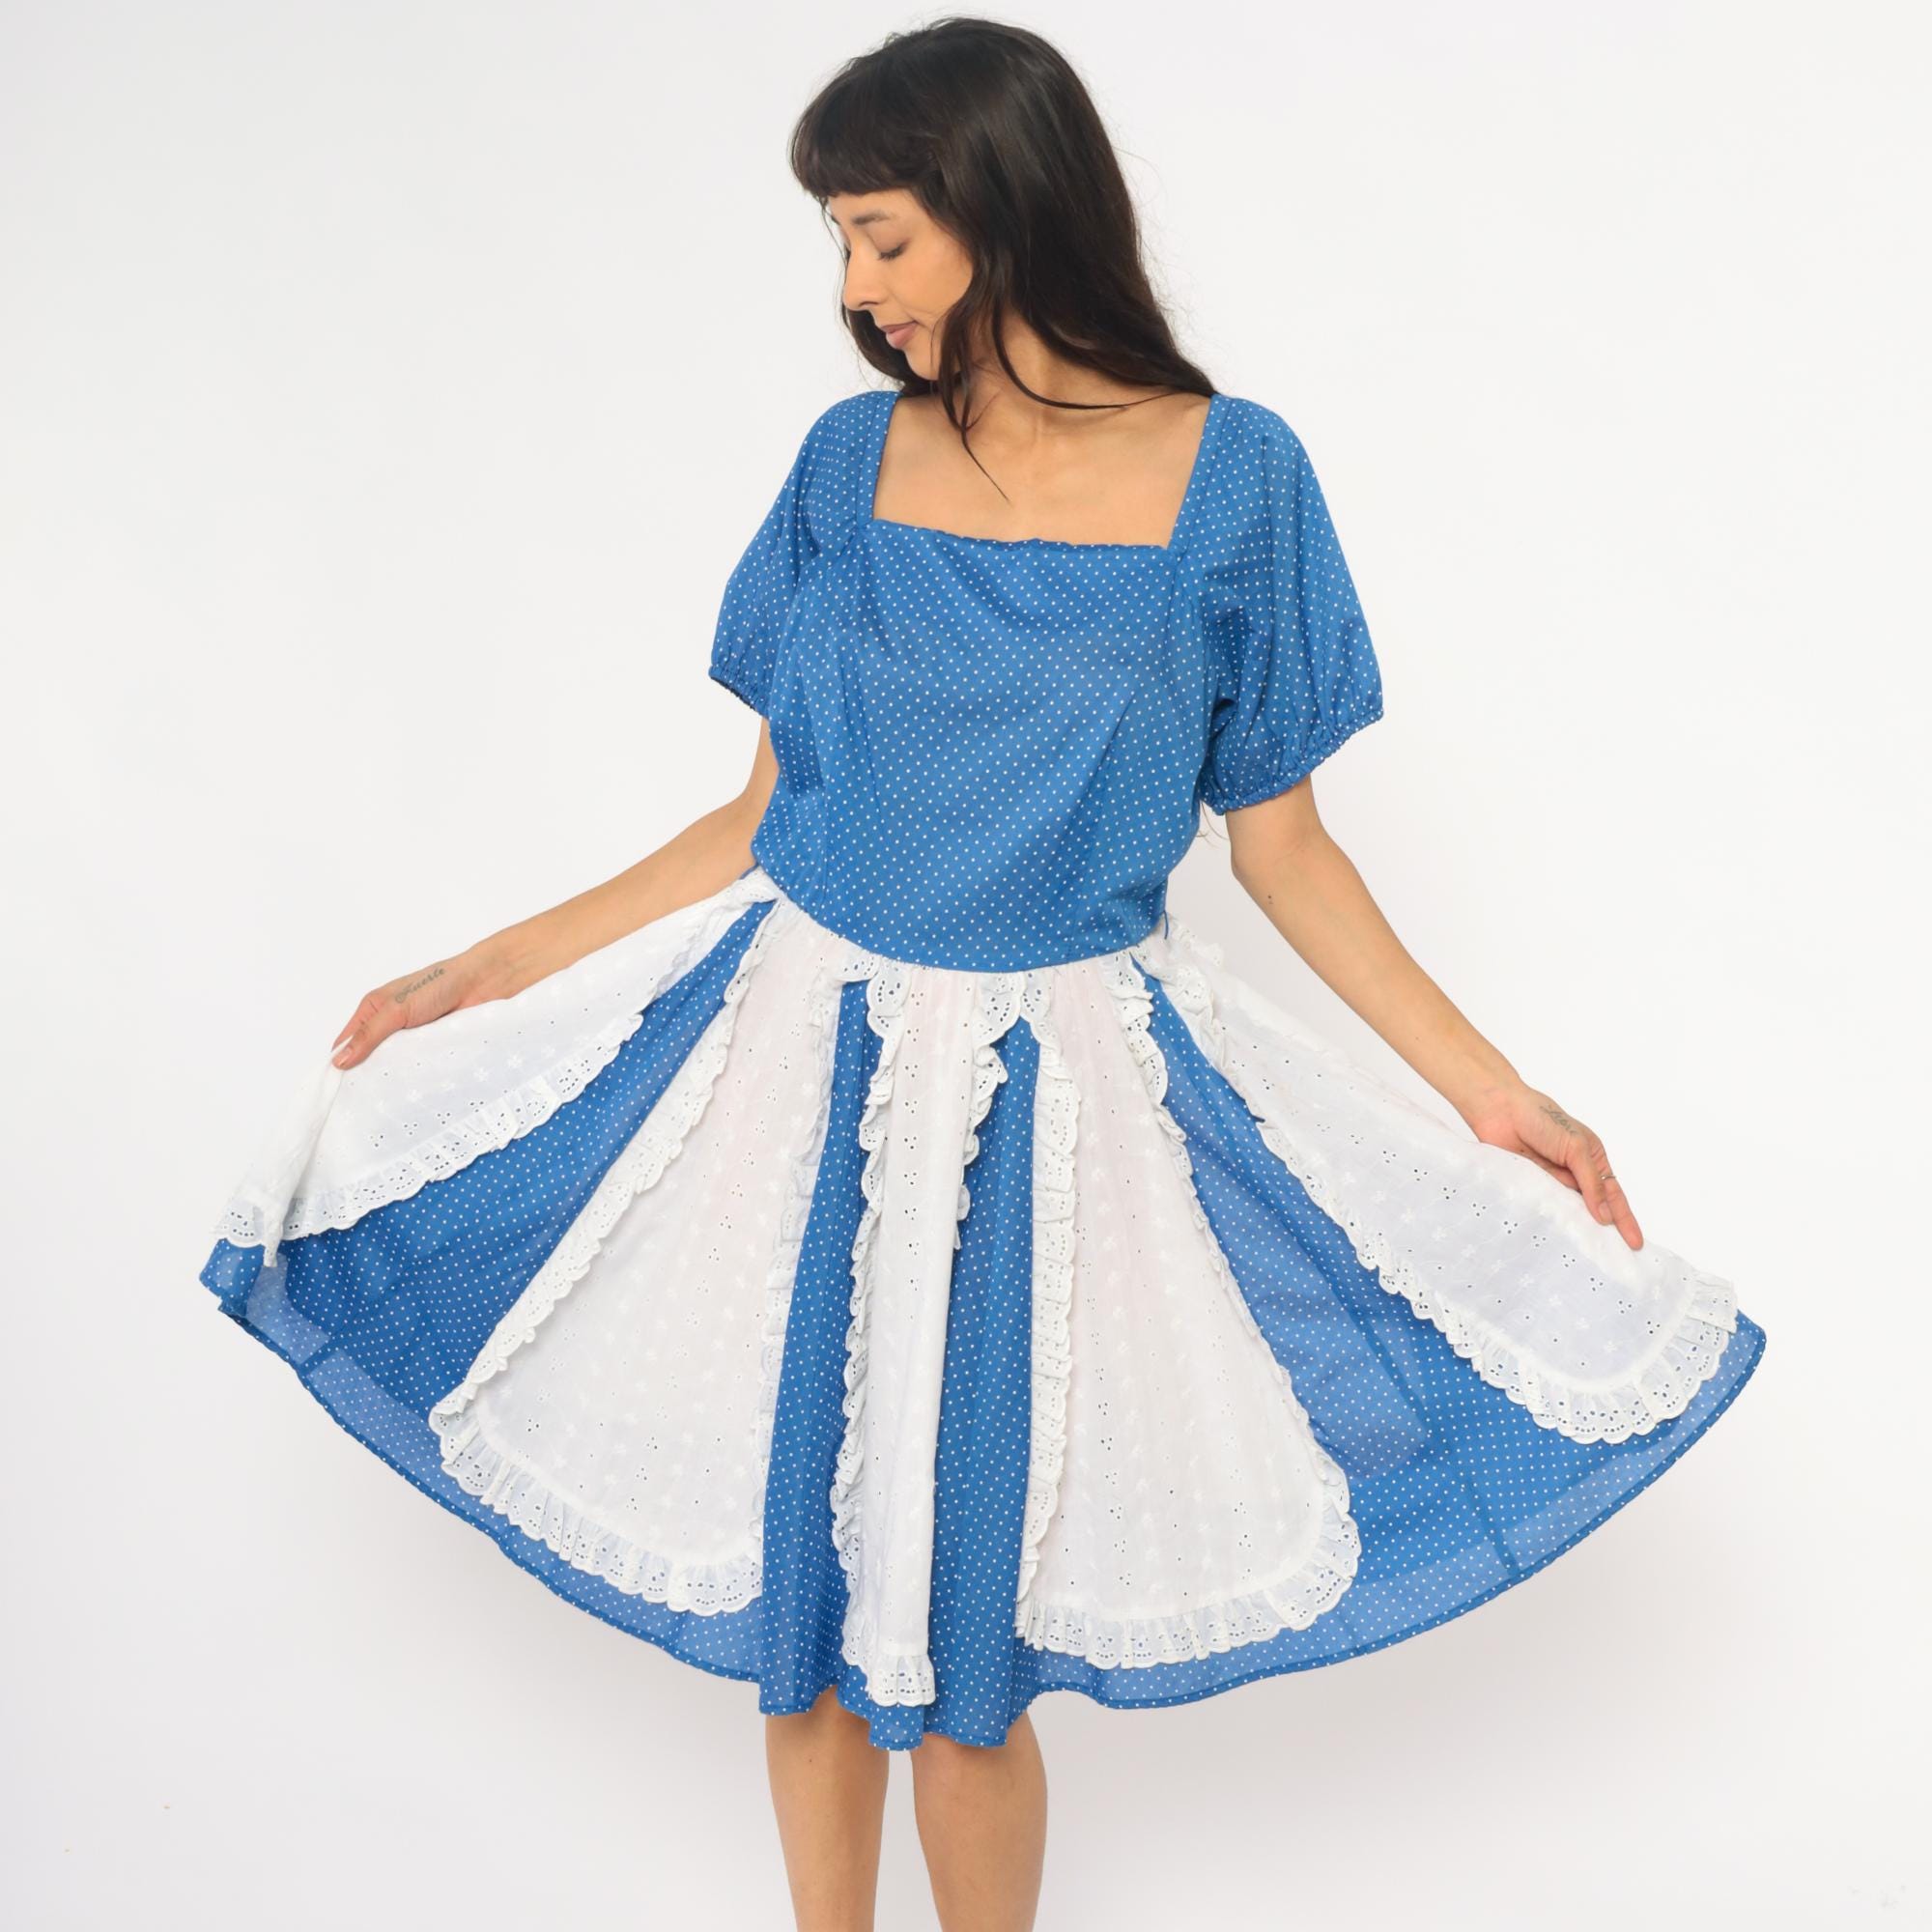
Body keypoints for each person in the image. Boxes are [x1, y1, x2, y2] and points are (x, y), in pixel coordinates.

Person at [196, 18, 1767, 1932]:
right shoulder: (845, 464)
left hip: (1055, 1106)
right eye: (842, 243)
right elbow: (767, 811)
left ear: (1003, 207)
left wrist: (1492, 1093)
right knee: (803, 1614)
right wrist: (496, 964)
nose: (854, 288)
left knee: (965, 1647)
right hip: (801, 1076)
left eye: (881, 237)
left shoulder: (1234, 480)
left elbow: (1283, 846)